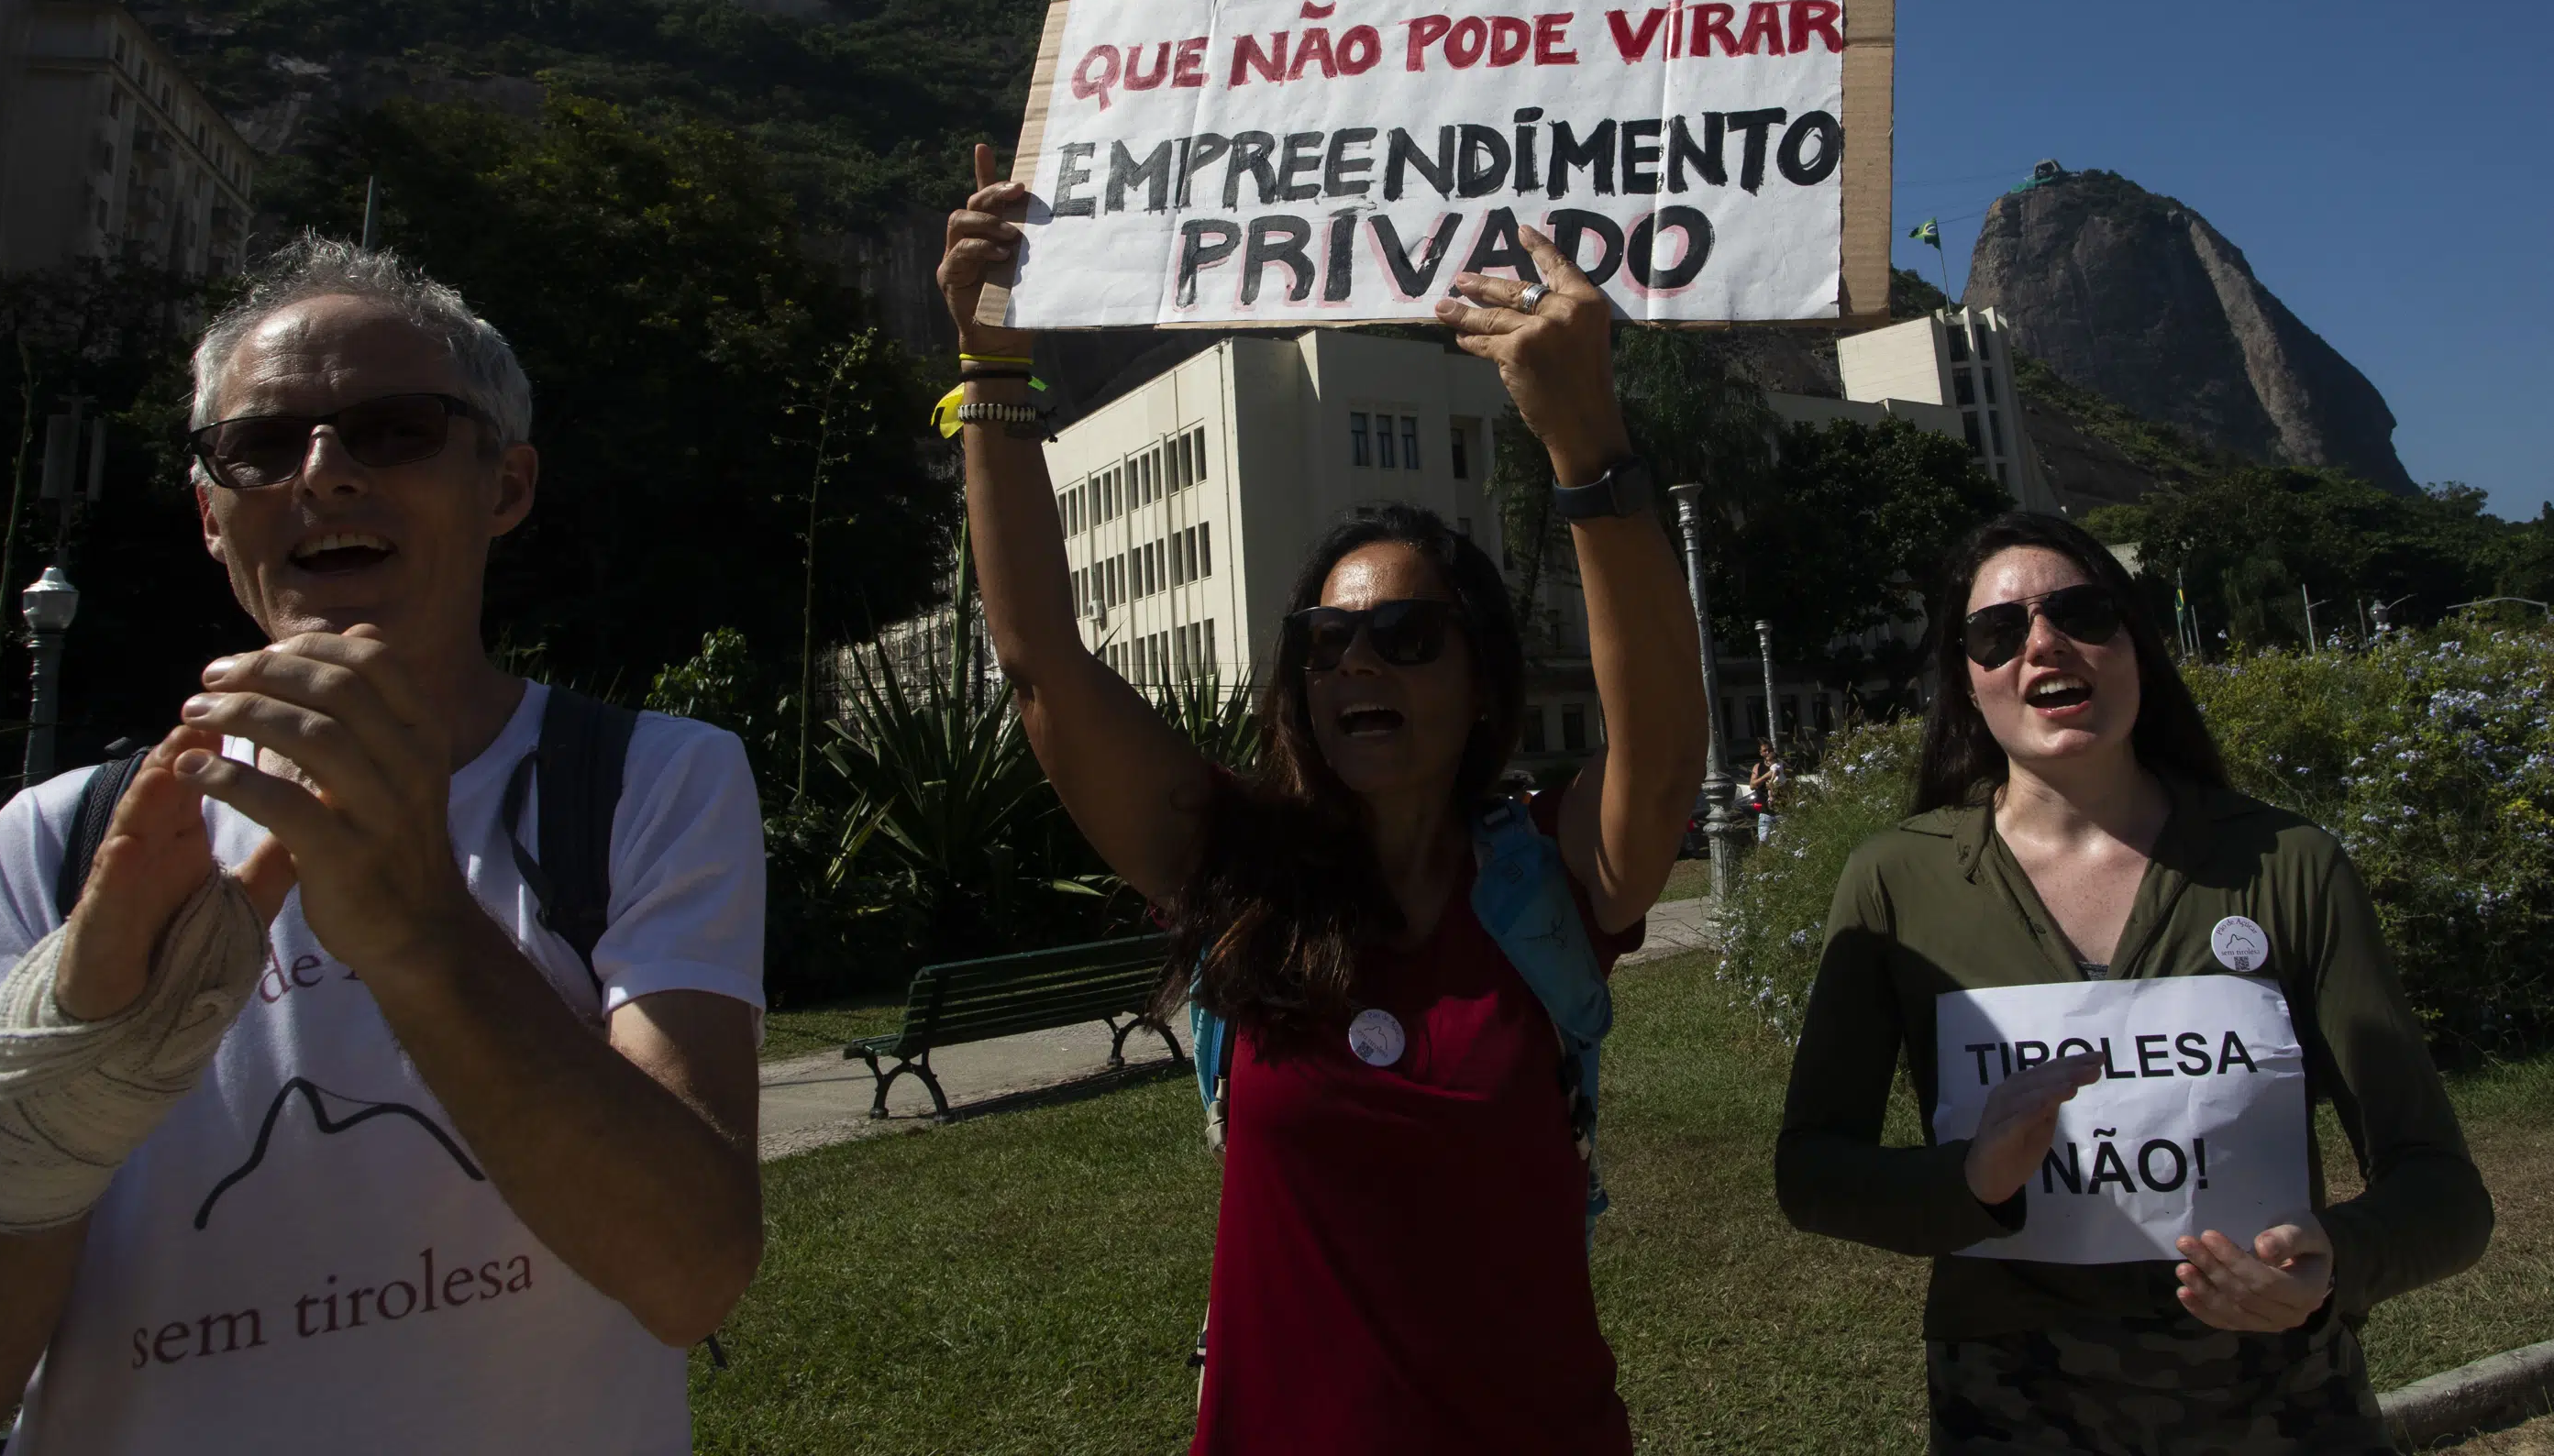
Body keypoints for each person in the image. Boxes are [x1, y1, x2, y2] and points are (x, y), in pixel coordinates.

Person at [0, 240, 768, 1456]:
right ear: (212, 515)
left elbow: (693, 1275)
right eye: (263, 446)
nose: (325, 474)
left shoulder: (641, 781)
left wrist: (420, 931)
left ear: (506, 487)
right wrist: (63, 1101)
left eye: (397, 430)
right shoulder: (64, 846)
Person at [938, 148, 1707, 1453]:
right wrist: (993, 370)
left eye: (1408, 635)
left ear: (1479, 685)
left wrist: (1587, 441)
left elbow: (1667, 743)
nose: (1359, 660)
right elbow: (1043, 672)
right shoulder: (1238, 872)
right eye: (1328, 639)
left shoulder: (1551, 882)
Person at [1775, 510, 2492, 1453]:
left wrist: (2334, 1259)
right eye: (1999, 630)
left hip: (2284, 1412)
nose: (2043, 642)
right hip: (2011, 1415)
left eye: (2082, 611)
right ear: (1966, 680)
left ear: (2136, 646)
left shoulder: (2291, 865)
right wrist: (1972, 1179)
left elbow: (2444, 1192)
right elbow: (1812, 1170)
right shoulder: (1894, 883)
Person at [1747, 737, 1784, 842]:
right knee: (1763, 840)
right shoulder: (1758, 767)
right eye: (1764, 750)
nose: (1767, 752)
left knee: (1784, 841)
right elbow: (1752, 785)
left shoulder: (1781, 765)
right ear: (1760, 753)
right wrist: (1766, 776)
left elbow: (1791, 780)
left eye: (1769, 749)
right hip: (1765, 810)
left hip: (1782, 808)